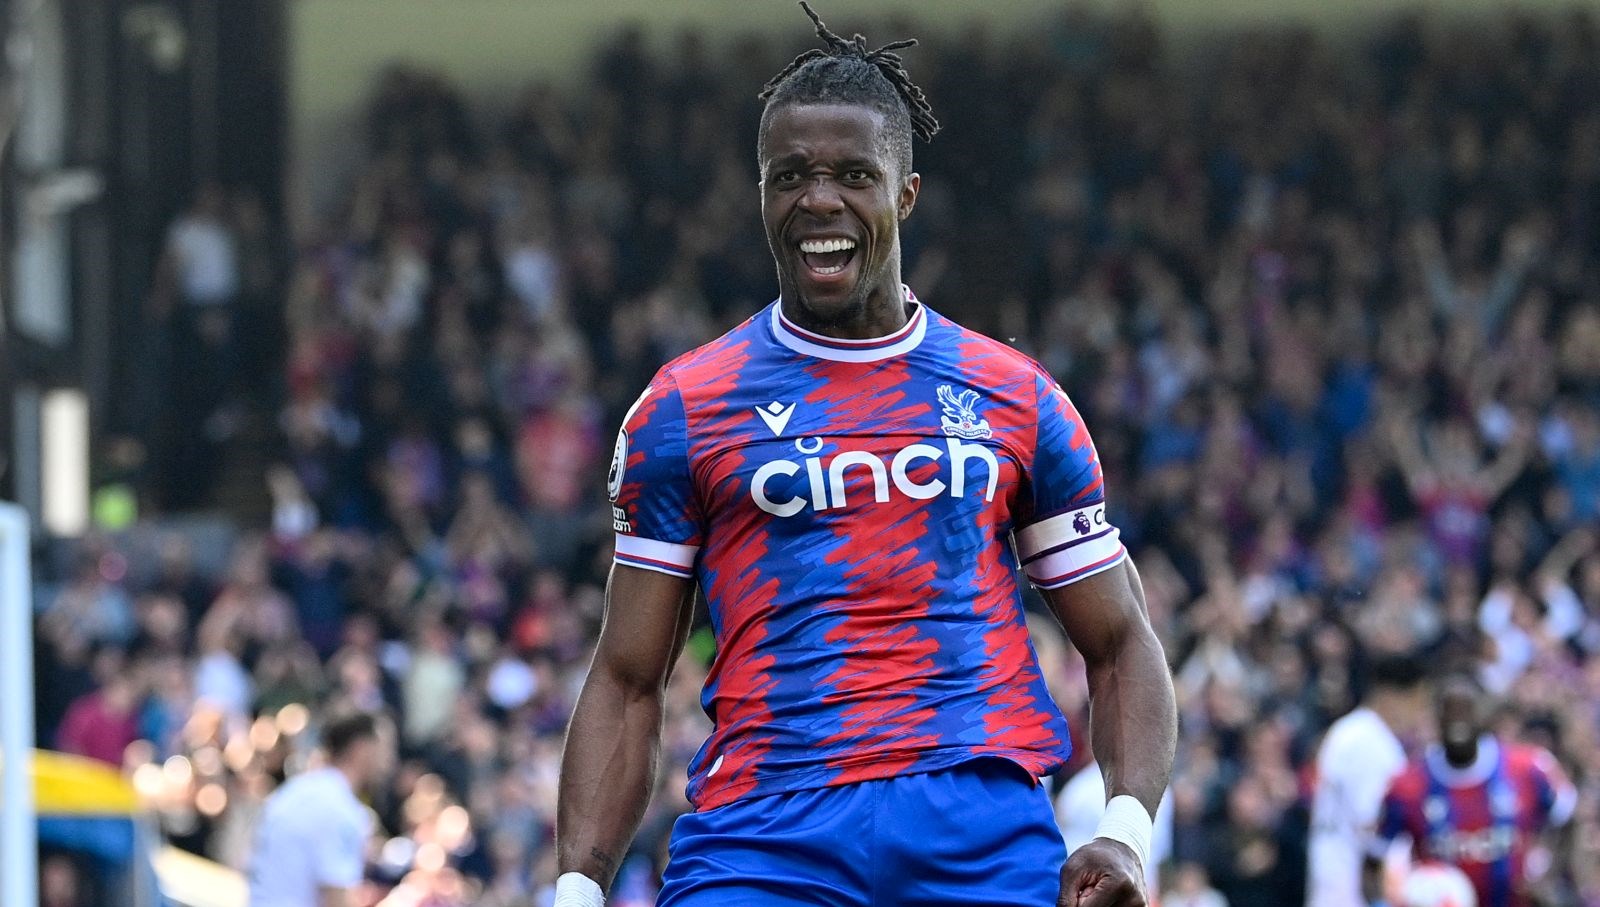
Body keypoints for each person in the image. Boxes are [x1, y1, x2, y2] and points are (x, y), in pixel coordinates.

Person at [556, 5, 1177, 906]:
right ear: (761, 194)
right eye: (790, 176)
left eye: (854, 174)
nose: (820, 200)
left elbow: (1120, 641)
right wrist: (577, 891)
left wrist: (1125, 833)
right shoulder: (684, 407)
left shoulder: (1016, 395)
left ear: (906, 194)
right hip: (764, 837)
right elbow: (625, 677)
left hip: (978, 829)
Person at [1369, 675, 1577, 907]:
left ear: (1482, 715)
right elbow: (1374, 857)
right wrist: (1383, 900)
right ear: (1435, 718)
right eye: (1449, 712)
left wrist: (1547, 875)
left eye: (1466, 710)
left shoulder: (1529, 768)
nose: (1458, 721)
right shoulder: (1407, 785)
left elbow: (1567, 817)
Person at [1306, 655, 1429, 907]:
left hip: (1334, 877)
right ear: (1391, 697)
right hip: (1355, 889)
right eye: (1416, 702)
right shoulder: (1372, 744)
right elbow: (1375, 827)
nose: (1418, 714)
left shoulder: (1348, 731)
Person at [248, 710, 388, 907]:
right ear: (361, 749)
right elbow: (336, 899)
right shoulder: (341, 809)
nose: (387, 761)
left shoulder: (292, 791)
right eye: (384, 749)